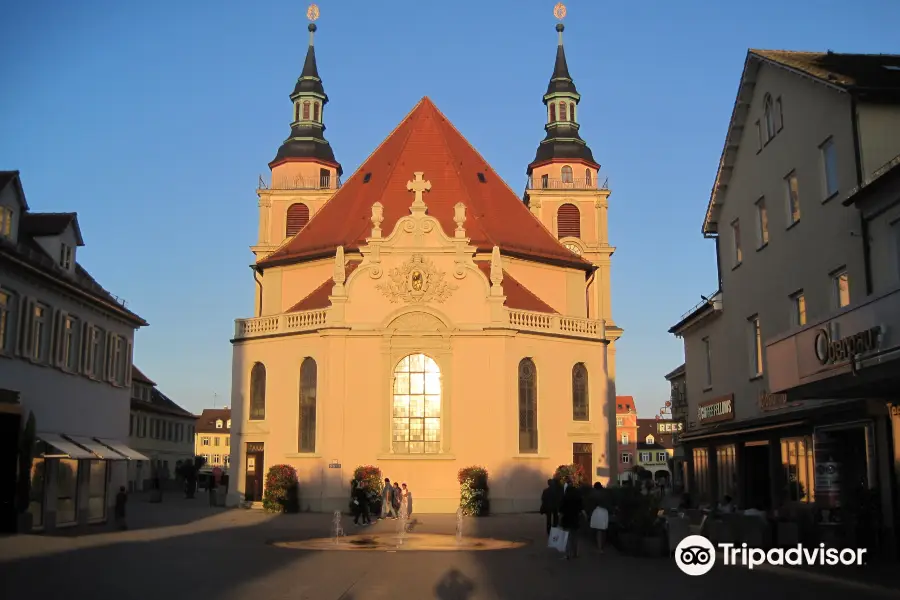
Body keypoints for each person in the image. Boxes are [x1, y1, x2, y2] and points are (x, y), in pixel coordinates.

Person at [559, 483, 584, 560]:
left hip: (566, 519)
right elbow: (581, 509)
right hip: (575, 519)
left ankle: (567, 554)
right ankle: (575, 553)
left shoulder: (565, 499)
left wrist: (559, 520)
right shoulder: (578, 499)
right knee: (575, 537)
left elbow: (561, 510)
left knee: (567, 537)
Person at [588, 482, 608, 552]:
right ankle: (602, 545)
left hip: (597, 511)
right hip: (605, 512)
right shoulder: (605, 493)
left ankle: (599, 547)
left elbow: (591, 504)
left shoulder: (594, 494)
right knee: (604, 529)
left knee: (599, 530)